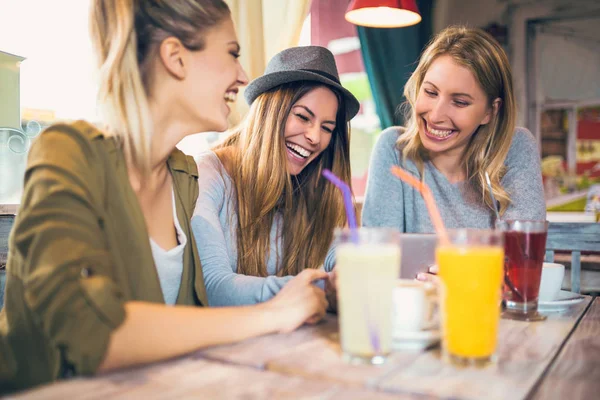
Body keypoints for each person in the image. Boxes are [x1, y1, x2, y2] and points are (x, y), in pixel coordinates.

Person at [0, 0, 328, 392]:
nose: (243, 77)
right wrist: (273, 313)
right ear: (175, 57)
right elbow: (92, 334)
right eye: (232, 54)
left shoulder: (184, 176)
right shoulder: (68, 152)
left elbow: (194, 314)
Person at [191, 46, 359, 307]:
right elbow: (213, 287)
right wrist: (320, 287)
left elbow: (341, 258)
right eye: (303, 117)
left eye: (327, 128)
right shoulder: (209, 174)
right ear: (270, 112)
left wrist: (347, 273)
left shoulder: (320, 188)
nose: (315, 137)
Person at [362, 26, 546, 242]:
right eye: (430, 92)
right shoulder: (393, 149)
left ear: (490, 111)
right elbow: (378, 253)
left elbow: (522, 255)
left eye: (459, 102)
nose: (436, 115)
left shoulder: (515, 147)